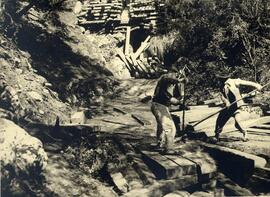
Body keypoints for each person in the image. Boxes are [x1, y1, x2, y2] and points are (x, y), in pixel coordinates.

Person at [214, 74, 262, 142]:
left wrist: (257, 85)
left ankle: (245, 135)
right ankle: (216, 135)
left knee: (238, 122)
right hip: (228, 108)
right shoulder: (222, 86)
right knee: (220, 120)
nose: (220, 80)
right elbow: (222, 96)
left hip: (236, 107)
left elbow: (247, 83)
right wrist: (226, 102)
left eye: (221, 79)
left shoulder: (235, 81)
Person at [151, 66, 187, 154]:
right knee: (170, 128)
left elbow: (174, 98)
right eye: (175, 74)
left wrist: (180, 102)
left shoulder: (168, 84)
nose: (175, 76)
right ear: (171, 72)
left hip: (159, 105)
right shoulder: (165, 78)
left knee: (162, 127)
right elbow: (171, 99)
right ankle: (169, 149)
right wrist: (180, 80)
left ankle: (160, 145)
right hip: (159, 106)